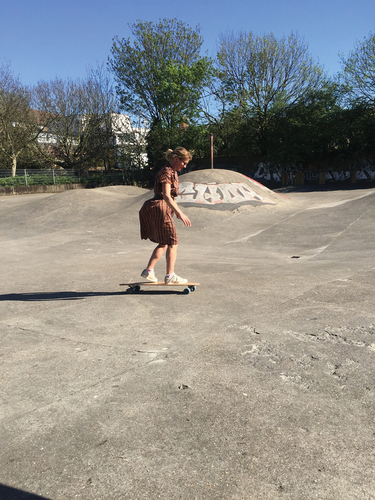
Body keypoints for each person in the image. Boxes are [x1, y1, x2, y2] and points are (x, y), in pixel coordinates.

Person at [139, 147, 192, 284]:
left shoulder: (172, 172)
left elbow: (171, 198)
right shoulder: (166, 172)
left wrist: (176, 211)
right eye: (184, 163)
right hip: (160, 208)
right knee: (173, 242)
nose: (185, 166)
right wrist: (180, 213)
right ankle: (170, 276)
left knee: (164, 243)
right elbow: (166, 195)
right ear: (176, 159)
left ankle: (148, 271)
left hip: (162, 208)